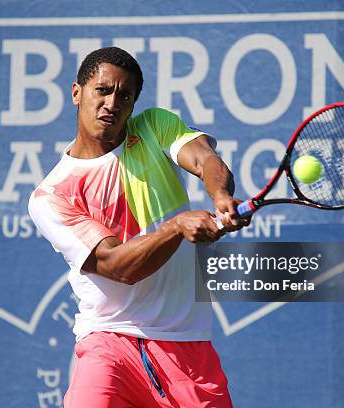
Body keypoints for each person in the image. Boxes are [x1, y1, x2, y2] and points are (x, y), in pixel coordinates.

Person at [28, 47, 250, 407]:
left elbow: (205, 157)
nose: (112, 103)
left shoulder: (153, 126)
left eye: (124, 95)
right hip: (108, 346)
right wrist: (177, 226)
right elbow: (119, 267)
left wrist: (221, 195)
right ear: (76, 93)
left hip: (187, 350)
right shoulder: (53, 196)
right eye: (102, 91)